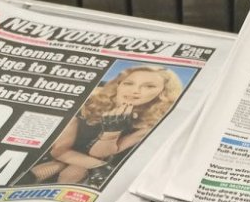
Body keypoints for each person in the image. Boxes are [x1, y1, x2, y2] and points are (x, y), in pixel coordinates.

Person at [28, 65, 184, 185]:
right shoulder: (91, 99)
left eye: (149, 86)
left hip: (94, 159)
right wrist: (99, 166)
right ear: (119, 85)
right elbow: (59, 151)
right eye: (128, 83)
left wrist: (112, 133)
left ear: (163, 92)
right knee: (59, 165)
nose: (135, 91)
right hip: (62, 154)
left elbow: (98, 154)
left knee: (78, 168)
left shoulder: (154, 119)